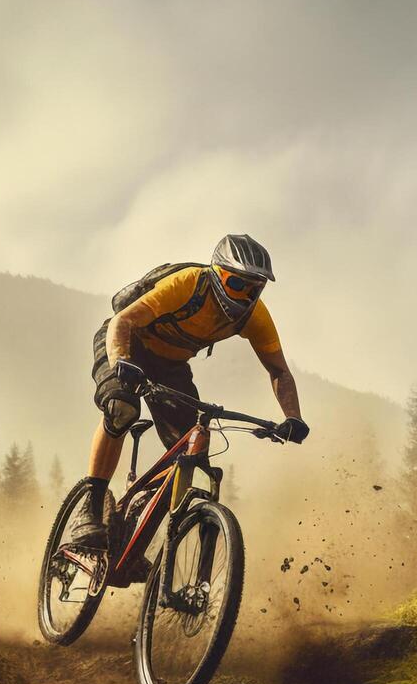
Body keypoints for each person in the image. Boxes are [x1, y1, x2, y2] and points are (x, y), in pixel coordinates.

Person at [68, 233, 308, 548]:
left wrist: (293, 417)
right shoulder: (190, 284)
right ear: (218, 274)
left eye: (256, 288)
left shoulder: (255, 316)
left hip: (171, 366)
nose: (247, 295)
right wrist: (123, 363)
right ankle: (91, 505)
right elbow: (122, 322)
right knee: (121, 408)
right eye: (239, 284)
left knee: (191, 451)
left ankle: (133, 527)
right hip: (127, 344)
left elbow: (279, 371)